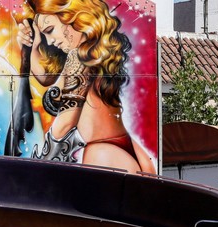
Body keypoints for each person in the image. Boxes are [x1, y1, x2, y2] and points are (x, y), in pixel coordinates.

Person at [16, 0, 156, 174]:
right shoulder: (89, 52)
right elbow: (45, 78)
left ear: (71, 17)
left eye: (50, 30)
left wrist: (39, 168)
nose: (50, 41)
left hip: (105, 154)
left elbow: (65, 123)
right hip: (126, 150)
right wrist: (34, 46)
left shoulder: (78, 58)